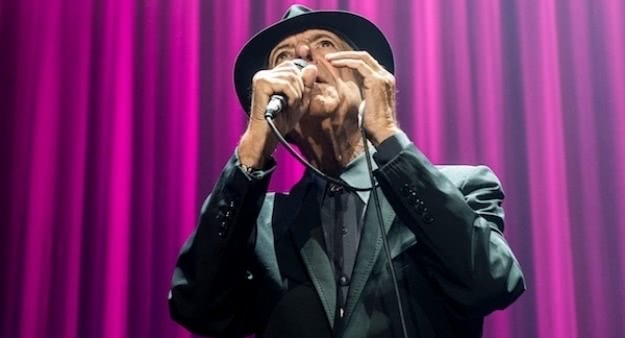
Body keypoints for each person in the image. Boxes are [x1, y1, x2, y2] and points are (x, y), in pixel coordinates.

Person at [168, 4, 525, 338]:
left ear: (367, 79)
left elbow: (492, 283)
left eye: (324, 44)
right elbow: (197, 307)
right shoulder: (260, 223)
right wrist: (253, 146)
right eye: (283, 58)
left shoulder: (460, 187)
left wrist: (387, 135)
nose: (303, 58)